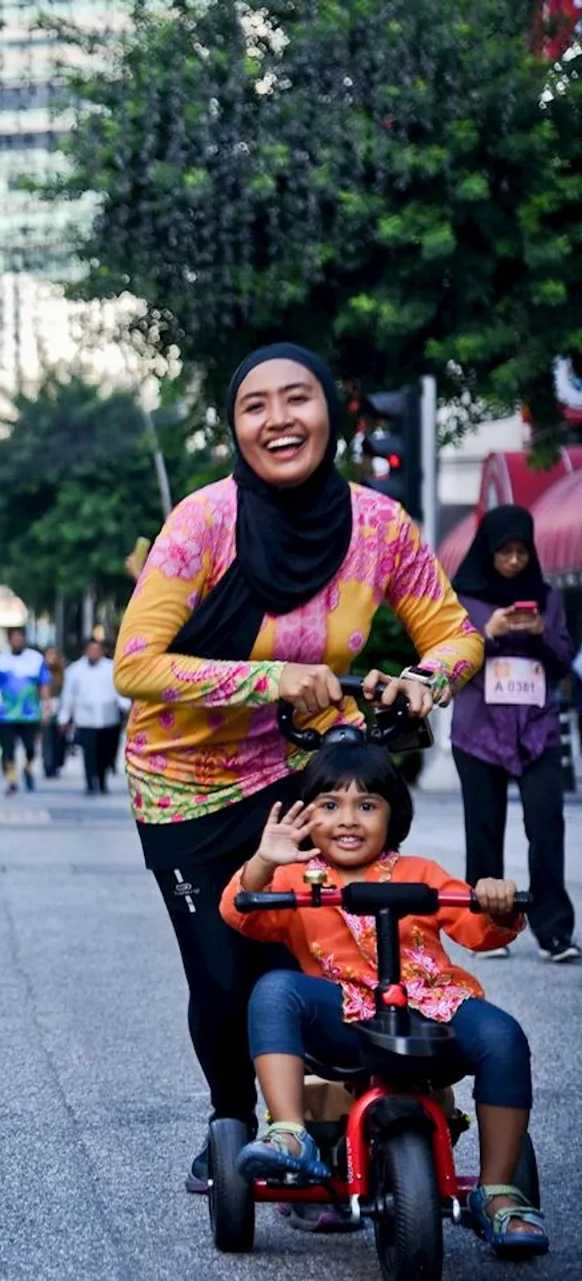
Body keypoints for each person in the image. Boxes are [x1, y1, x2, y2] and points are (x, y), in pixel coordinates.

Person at [114, 342, 483, 1192]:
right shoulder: (203, 523)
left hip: (310, 774)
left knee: (331, 953)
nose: (278, 419)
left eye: (297, 398)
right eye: (255, 405)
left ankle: (336, 1124)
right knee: (221, 968)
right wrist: (269, 678)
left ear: (332, 413)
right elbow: (135, 663)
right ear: (237, 429)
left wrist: (425, 680)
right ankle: (233, 1121)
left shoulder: (380, 526)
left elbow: (458, 634)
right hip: (186, 783)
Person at [221, 741, 546, 1257]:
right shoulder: (297, 876)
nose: (347, 821)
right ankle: (289, 1132)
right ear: (306, 816)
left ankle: (499, 1189)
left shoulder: (419, 873)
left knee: (503, 1035)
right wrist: (263, 862)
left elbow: (479, 931)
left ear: (393, 814)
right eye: (329, 806)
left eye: (366, 806)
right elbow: (242, 913)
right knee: (275, 990)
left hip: (429, 1009)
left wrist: (497, 905)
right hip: (344, 1018)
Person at [449, 505, 577, 962]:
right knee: (483, 828)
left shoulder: (547, 597)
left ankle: (554, 929)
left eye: (522, 551)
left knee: (546, 822)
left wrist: (541, 633)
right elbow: (452, 661)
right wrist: (489, 631)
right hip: (479, 730)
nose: (515, 561)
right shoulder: (462, 596)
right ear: (488, 552)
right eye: (505, 552)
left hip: (536, 728)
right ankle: (484, 925)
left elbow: (563, 660)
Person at [0, 627, 51, 796]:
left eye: (20, 638)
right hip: (5, 715)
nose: (17, 641)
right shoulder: (0, 661)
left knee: (30, 748)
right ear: (9, 640)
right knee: (7, 750)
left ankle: (28, 769)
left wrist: (46, 706)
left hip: (30, 714)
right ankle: (12, 780)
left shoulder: (36, 660)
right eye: (14, 638)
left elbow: (43, 685)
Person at [59, 638, 125, 795]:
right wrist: (64, 717)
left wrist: (125, 706)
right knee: (89, 752)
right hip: (85, 719)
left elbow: (119, 691)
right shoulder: (75, 670)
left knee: (106, 752)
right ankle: (90, 782)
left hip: (108, 718)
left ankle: (102, 781)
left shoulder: (111, 668)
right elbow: (68, 696)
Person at [42, 646, 69, 779]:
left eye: (54, 655)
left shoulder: (64, 673)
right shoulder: (41, 672)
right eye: (49, 655)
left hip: (61, 708)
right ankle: (48, 765)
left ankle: (58, 763)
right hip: (45, 708)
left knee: (60, 739)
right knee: (47, 738)